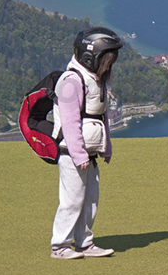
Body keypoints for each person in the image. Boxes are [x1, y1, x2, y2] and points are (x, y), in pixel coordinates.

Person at [49, 27, 123, 259]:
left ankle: (84, 243)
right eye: (107, 60)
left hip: (88, 155)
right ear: (90, 57)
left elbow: (101, 118)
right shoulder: (72, 80)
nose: (109, 66)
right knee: (72, 200)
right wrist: (79, 154)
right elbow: (71, 123)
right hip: (72, 155)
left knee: (90, 200)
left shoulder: (94, 80)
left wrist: (105, 148)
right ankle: (59, 246)